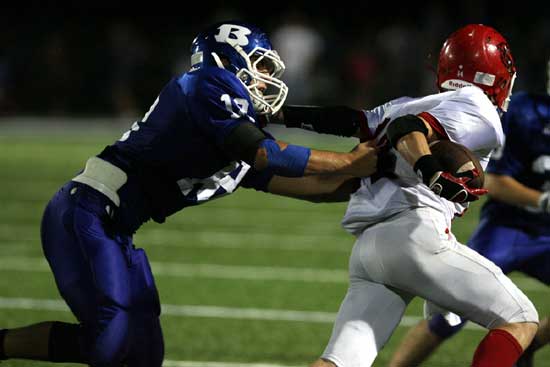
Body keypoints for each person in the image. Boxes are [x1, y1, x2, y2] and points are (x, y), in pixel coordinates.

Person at [0, 20, 377, 366]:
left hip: (113, 228)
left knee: (143, 351)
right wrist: (346, 162)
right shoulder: (205, 85)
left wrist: (379, 177)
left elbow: (309, 187)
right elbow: (264, 153)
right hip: (86, 212)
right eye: (260, 67)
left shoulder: (228, 129)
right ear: (228, 60)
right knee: (112, 339)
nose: (265, 80)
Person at [303, 24, 539, 367]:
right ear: (496, 78)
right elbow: (410, 128)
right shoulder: (477, 107)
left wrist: (278, 116)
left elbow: (355, 121)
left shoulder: (408, 102)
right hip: (414, 234)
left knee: (341, 361)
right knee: (520, 317)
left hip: (369, 247)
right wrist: (430, 168)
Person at [387, 64, 550, 367]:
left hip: (547, 234)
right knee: (448, 315)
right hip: (507, 228)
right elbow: (495, 182)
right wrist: (542, 200)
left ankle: (529, 346)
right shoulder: (525, 113)